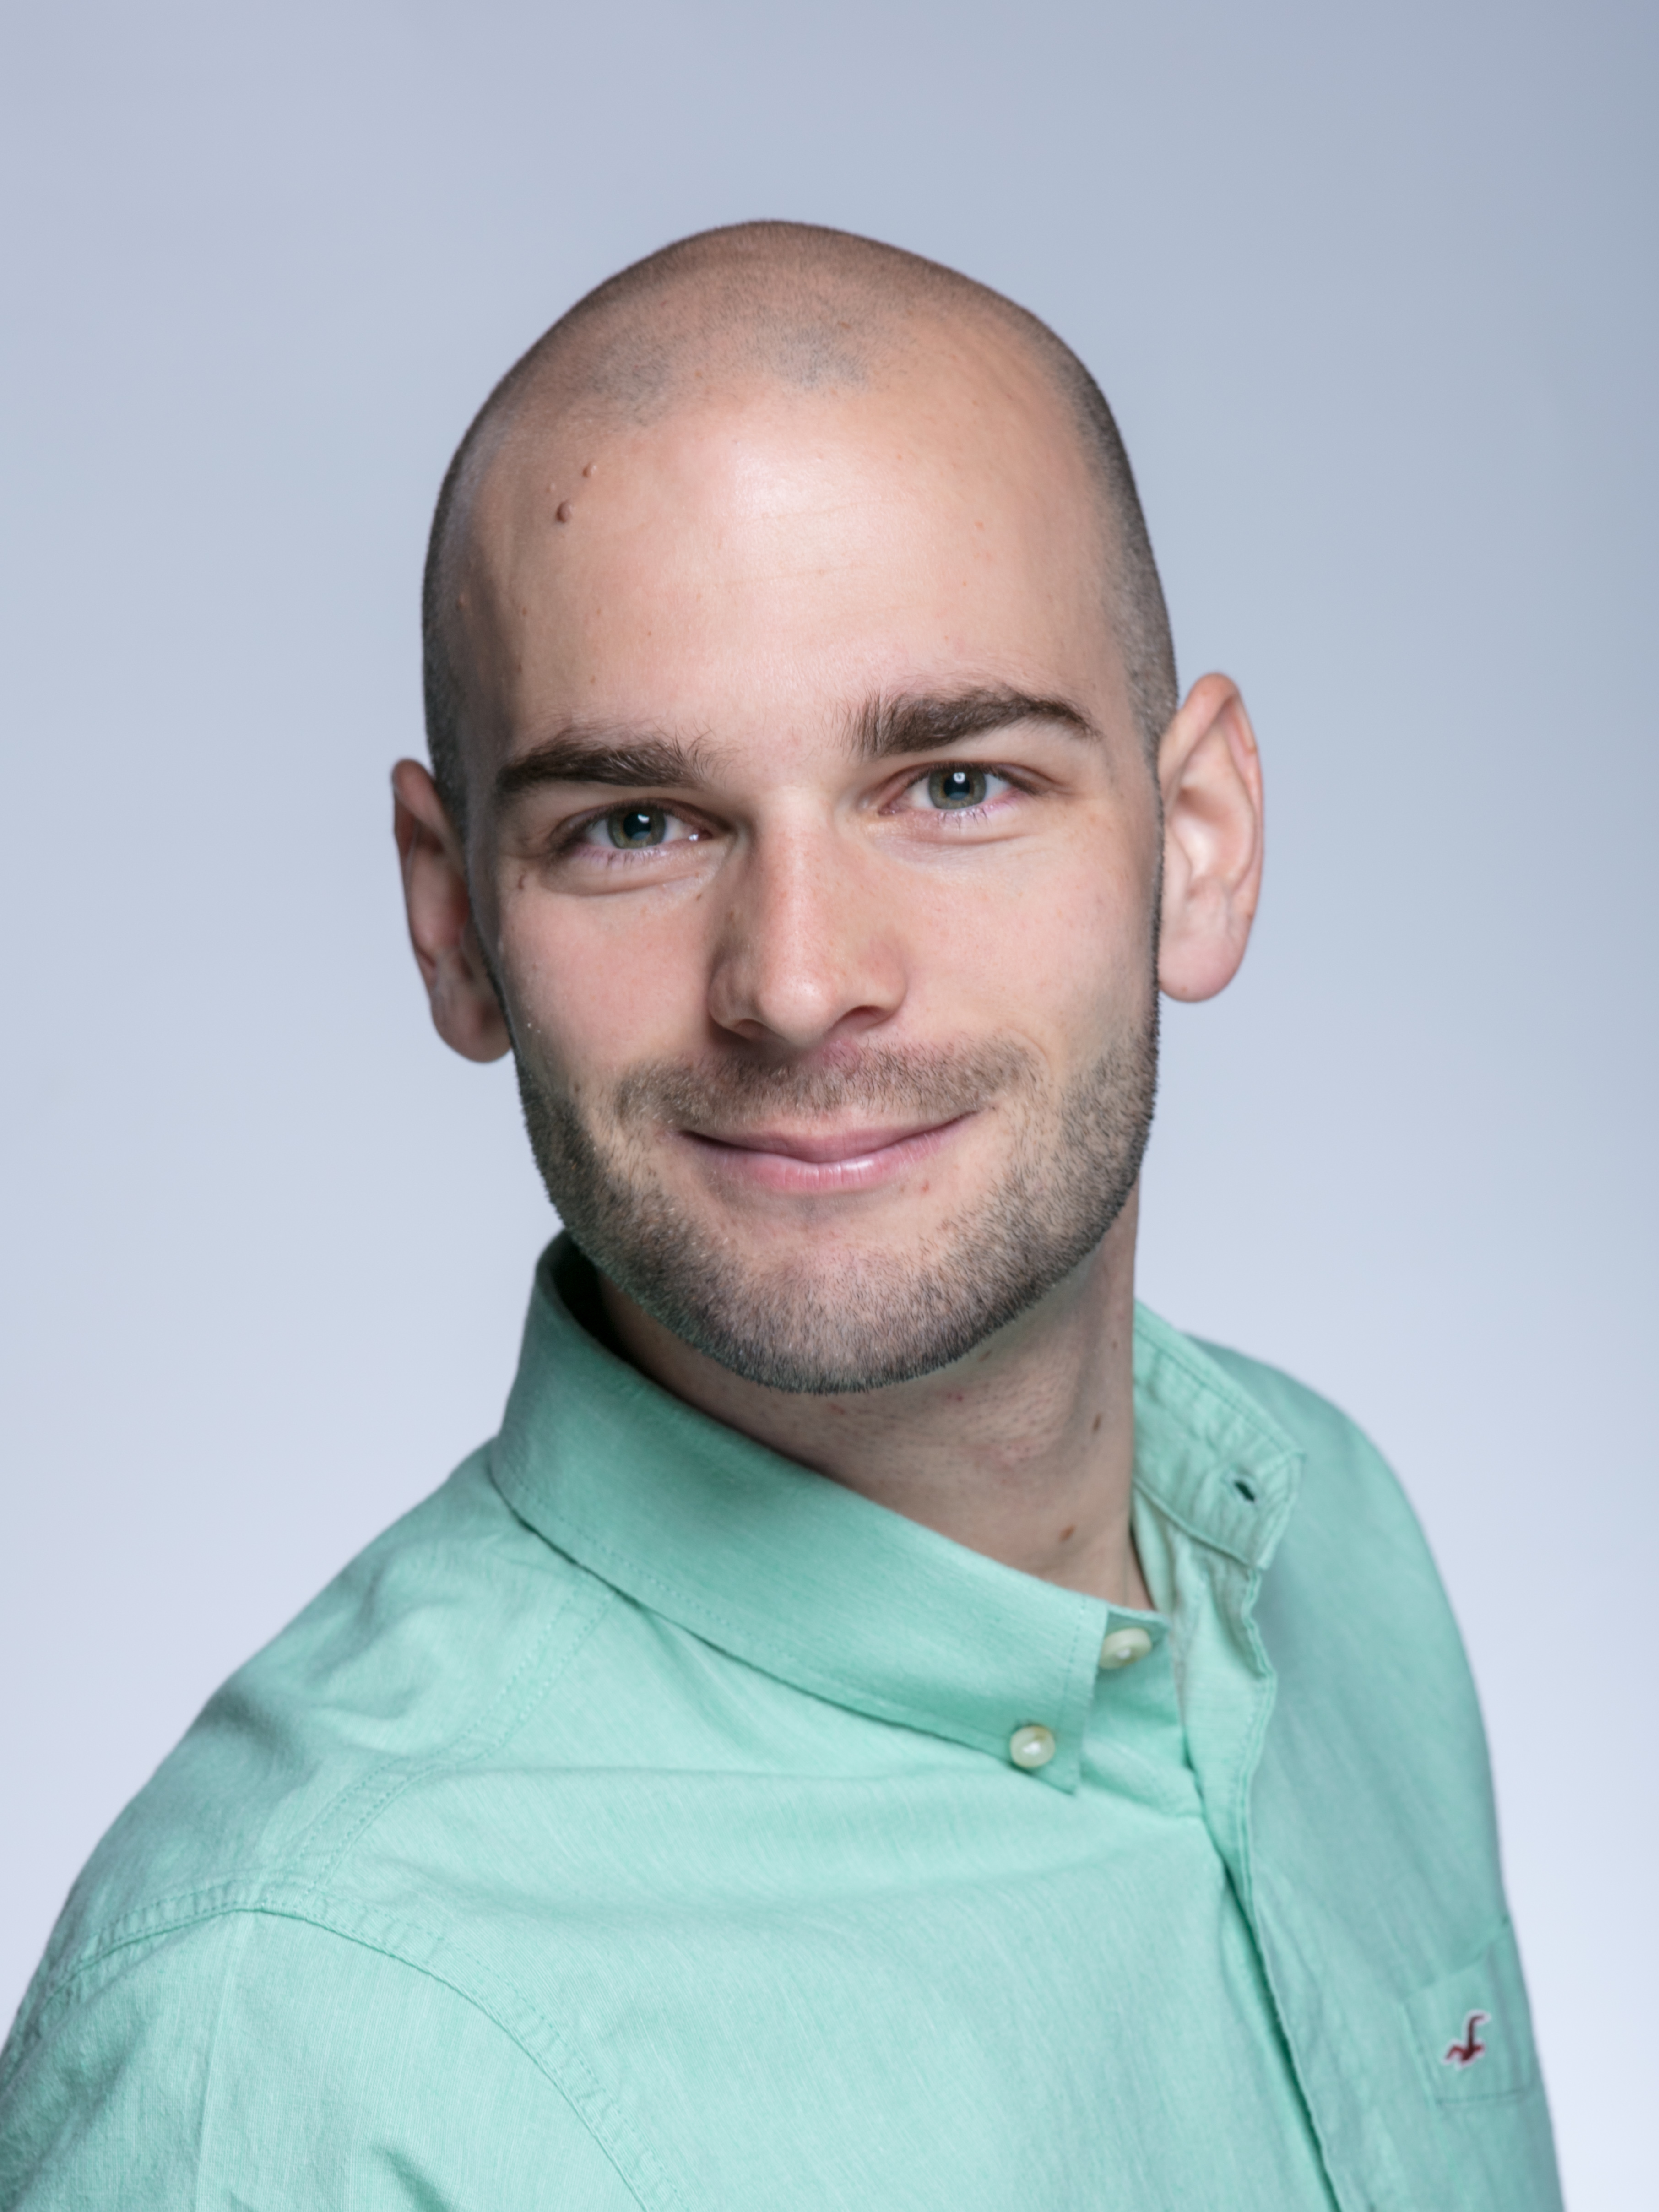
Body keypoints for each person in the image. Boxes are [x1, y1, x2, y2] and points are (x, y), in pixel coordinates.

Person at [0, 222, 1561, 2211]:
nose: (801, 981)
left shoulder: (1335, 1549)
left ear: (1200, 844)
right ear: (454, 921)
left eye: (956, 785)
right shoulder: (298, 2044)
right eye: (637, 826)